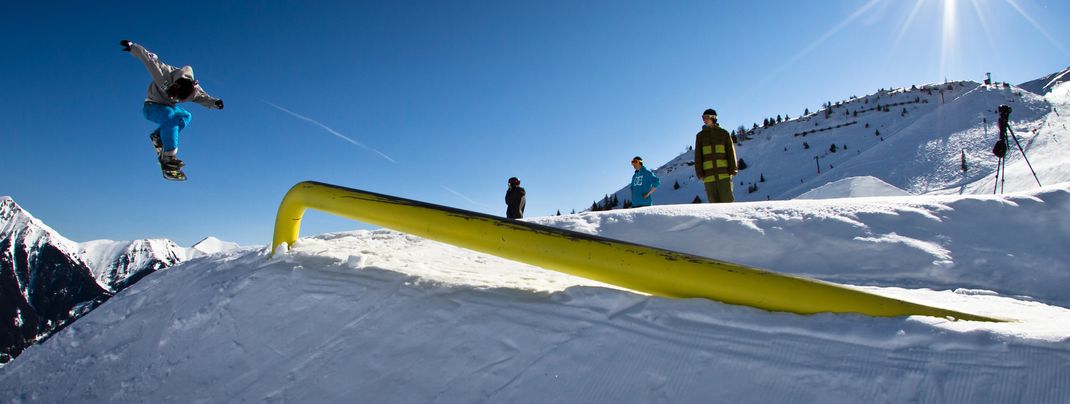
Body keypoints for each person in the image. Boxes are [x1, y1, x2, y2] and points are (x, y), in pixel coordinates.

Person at [120, 40, 224, 173]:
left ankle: (158, 136)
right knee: (168, 114)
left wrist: (215, 103)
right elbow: (149, 59)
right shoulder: (164, 73)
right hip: (151, 106)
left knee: (185, 116)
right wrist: (133, 47)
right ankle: (169, 155)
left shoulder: (195, 90)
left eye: (179, 99)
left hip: (167, 108)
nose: (175, 99)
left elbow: (203, 98)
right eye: (174, 95)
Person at [694, 108, 737, 203]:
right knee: (714, 205)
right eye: (703, 118)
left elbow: (730, 152)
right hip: (708, 176)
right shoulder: (700, 136)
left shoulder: (724, 133)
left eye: (706, 117)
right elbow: (698, 156)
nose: (704, 120)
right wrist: (700, 173)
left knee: (727, 201)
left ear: (713, 118)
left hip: (724, 174)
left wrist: (733, 169)